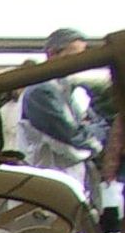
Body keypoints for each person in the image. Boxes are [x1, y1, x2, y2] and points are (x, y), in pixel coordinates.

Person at [18, 27, 105, 203]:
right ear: (52, 54)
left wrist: (90, 133)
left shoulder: (68, 88)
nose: (80, 62)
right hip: (50, 183)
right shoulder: (41, 91)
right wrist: (95, 138)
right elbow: (71, 139)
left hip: (70, 182)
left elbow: (97, 126)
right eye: (74, 55)